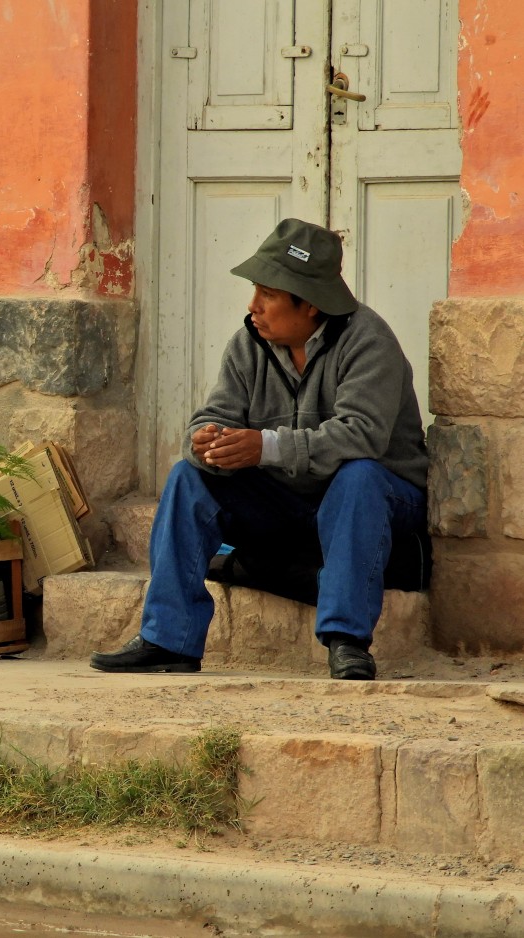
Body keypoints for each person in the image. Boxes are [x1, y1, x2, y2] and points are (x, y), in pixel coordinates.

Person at [91, 218, 428, 680]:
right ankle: (168, 639)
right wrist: (207, 441)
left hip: (378, 501)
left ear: (308, 304)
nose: (254, 306)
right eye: (256, 291)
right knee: (189, 477)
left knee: (359, 474)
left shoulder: (368, 341)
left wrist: (264, 447)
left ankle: (347, 641)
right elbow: (216, 414)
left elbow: (361, 435)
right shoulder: (249, 342)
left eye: (268, 294)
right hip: (287, 501)